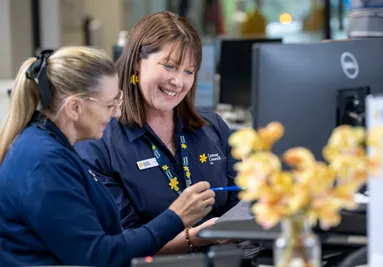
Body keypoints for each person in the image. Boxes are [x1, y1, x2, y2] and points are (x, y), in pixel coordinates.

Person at [0, 46, 215, 267]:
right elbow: (99, 256)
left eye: (118, 101)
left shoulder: (47, 146)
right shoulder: (45, 163)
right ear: (74, 107)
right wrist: (175, 217)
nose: (117, 113)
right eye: (109, 104)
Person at [75, 11, 239, 254]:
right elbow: (120, 243)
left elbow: (243, 203)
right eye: (170, 66)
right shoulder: (99, 141)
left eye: (189, 71)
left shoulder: (213, 127)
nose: (178, 81)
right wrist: (195, 238)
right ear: (137, 63)